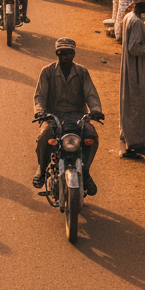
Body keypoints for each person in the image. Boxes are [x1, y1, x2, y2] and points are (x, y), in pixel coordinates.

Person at [32, 38, 103, 195]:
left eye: (69, 53)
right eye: (62, 53)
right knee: (45, 138)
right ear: (57, 54)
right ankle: (42, 170)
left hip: (78, 116)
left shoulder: (82, 72)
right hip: (53, 116)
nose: (65, 56)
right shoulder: (47, 72)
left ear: (74, 54)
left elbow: (91, 94)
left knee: (91, 136)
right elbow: (40, 96)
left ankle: (85, 170)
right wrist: (40, 111)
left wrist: (96, 110)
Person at [119, 0, 145, 159]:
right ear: (142, 4)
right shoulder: (137, 22)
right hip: (136, 69)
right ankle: (135, 144)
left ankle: (132, 141)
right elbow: (133, 48)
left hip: (130, 67)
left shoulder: (128, 18)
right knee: (137, 104)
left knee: (131, 104)